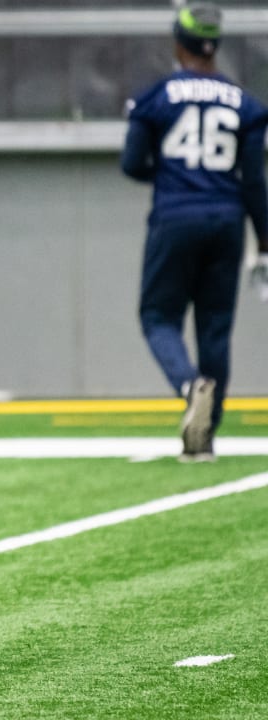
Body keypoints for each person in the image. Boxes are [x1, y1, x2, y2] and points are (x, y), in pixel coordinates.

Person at [121, 2, 268, 462]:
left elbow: (131, 162)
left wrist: (166, 177)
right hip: (227, 218)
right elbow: (254, 180)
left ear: (177, 44)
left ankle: (189, 385)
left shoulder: (157, 97)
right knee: (215, 330)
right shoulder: (246, 104)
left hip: (175, 215)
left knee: (157, 316)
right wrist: (264, 237)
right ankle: (205, 436)